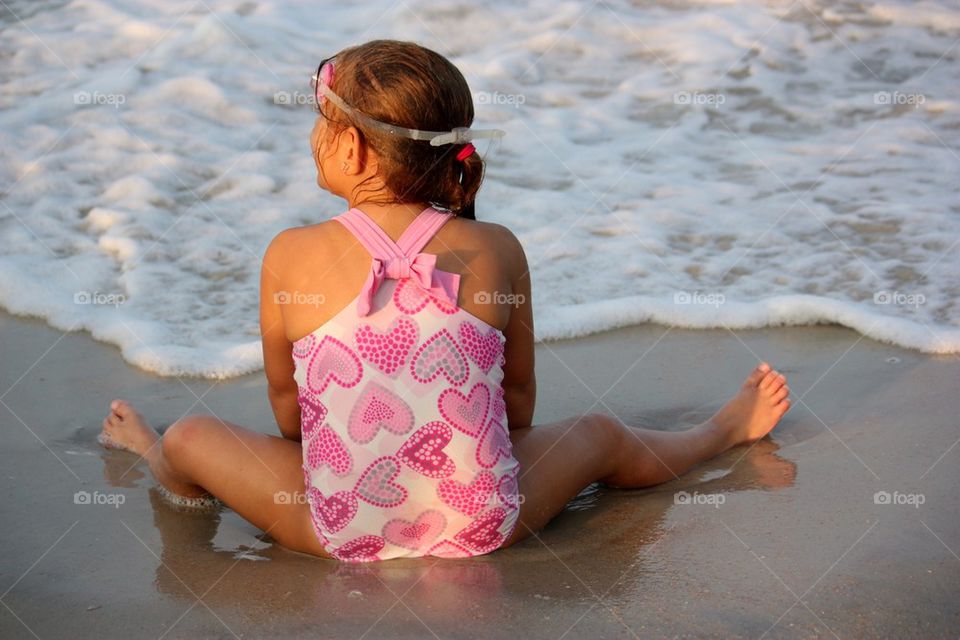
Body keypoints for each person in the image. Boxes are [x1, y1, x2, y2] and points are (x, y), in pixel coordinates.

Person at [100, 40, 790, 562]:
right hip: (486, 519)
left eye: (320, 122)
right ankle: (718, 435)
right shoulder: (497, 247)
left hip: (338, 526)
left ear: (354, 152)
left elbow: (291, 414)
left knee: (191, 440)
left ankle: (153, 454)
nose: (312, 136)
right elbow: (518, 399)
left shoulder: (290, 253)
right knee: (602, 436)